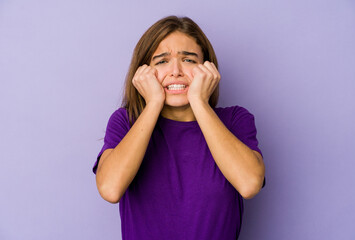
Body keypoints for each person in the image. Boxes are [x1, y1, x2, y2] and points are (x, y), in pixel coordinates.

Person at [92, 15, 265, 240]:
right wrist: (153, 102)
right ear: (143, 72)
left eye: (189, 60)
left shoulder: (234, 120)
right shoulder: (126, 122)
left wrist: (200, 102)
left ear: (207, 69)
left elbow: (250, 184)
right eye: (162, 61)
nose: (175, 71)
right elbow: (110, 189)